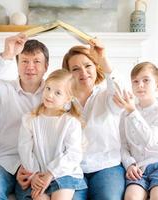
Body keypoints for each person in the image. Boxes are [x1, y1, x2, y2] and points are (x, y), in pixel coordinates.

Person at [0, 33, 49, 200]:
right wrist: (7, 54)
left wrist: (37, 170)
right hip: (3, 160)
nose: (30, 67)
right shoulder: (4, 89)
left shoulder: (55, 94)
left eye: (36, 61)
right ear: (17, 65)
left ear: (46, 66)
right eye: (24, 61)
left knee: (34, 196)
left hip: (36, 163)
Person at [62, 40, 125, 200]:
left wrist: (103, 58)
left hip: (107, 166)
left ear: (96, 67)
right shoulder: (62, 101)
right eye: (76, 69)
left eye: (88, 66)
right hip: (73, 168)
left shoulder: (107, 95)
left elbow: (121, 94)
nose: (83, 72)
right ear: (69, 74)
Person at [113, 62, 158, 200]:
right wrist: (130, 164)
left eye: (146, 80)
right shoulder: (125, 114)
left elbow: (150, 140)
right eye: (135, 81)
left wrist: (132, 111)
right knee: (131, 197)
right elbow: (123, 145)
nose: (140, 85)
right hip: (139, 168)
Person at [18, 69, 87, 200]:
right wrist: (34, 174)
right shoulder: (29, 119)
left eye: (57, 93)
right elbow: (24, 149)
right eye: (48, 88)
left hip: (64, 174)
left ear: (68, 98)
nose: (50, 95)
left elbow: (74, 154)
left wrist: (51, 173)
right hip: (38, 175)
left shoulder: (70, 122)